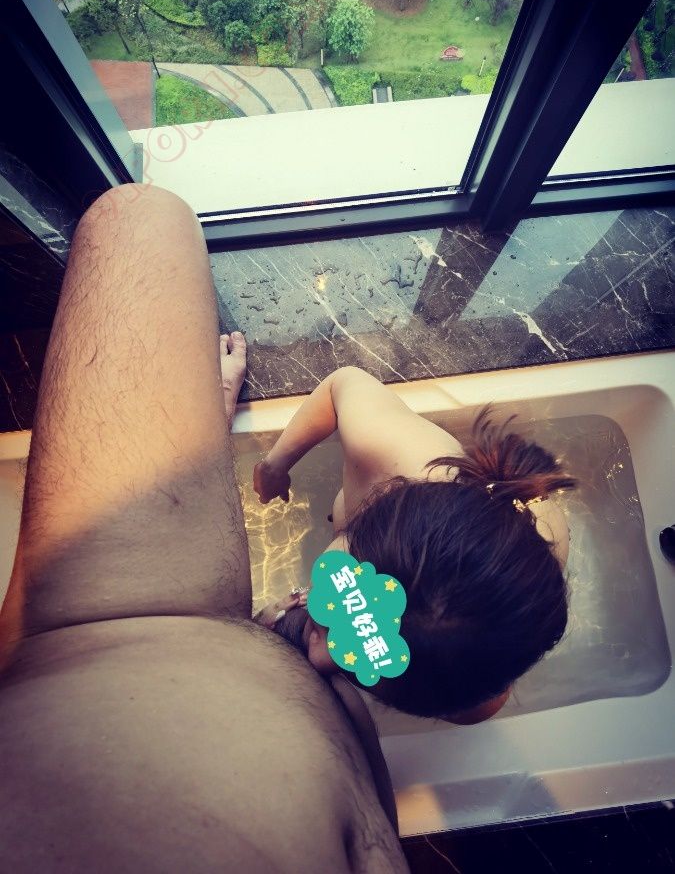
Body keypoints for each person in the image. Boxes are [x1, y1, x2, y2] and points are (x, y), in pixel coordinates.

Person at [0, 184, 408, 873]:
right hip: (130, 638)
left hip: (99, 633)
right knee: (140, 217)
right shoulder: (396, 463)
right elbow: (347, 386)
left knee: (137, 217)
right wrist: (249, 451)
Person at [254, 371, 575, 724]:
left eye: (364, 661)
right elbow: (342, 384)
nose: (319, 654)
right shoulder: (388, 450)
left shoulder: (475, 671)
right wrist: (274, 465)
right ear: (377, 508)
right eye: (343, 589)